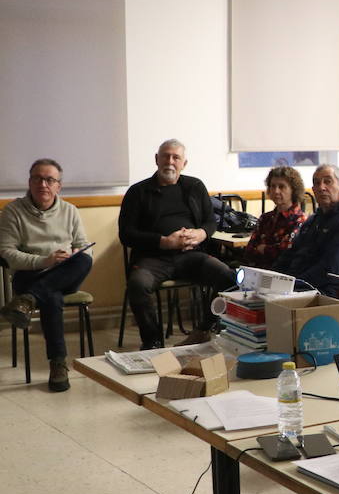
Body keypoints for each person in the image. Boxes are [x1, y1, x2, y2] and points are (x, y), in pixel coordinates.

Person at [118, 139, 236, 350]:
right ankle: (152, 342)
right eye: (165, 156)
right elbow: (126, 234)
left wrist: (200, 234)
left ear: (184, 163)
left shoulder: (195, 187)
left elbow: (210, 222)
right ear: (156, 159)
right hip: (152, 258)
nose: (170, 162)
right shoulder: (138, 192)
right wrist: (163, 242)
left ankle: (203, 330)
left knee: (229, 277)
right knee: (137, 285)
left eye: (176, 157)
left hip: (191, 256)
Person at [0, 158, 93, 391]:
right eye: (37, 178)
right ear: (29, 182)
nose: (43, 184)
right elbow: (6, 252)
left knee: (84, 259)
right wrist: (44, 260)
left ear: (58, 186)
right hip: (29, 274)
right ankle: (58, 363)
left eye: (50, 180)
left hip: (64, 272)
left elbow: (84, 246)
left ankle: (27, 300)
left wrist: (72, 254)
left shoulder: (70, 210)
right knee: (51, 296)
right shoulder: (12, 211)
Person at [272, 165, 339, 298]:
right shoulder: (314, 220)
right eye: (317, 183)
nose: (321, 187)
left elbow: (329, 271)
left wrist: (289, 285)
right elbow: (290, 255)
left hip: (326, 295)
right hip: (298, 287)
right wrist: (271, 278)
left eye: (328, 181)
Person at [240, 165, 306, 269]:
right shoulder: (265, 218)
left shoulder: (300, 220)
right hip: (256, 272)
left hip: (281, 276)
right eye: (272, 186)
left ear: (293, 189)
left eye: (281, 186)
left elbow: (284, 254)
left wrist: (263, 249)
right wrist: (268, 249)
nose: (276, 191)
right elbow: (248, 252)